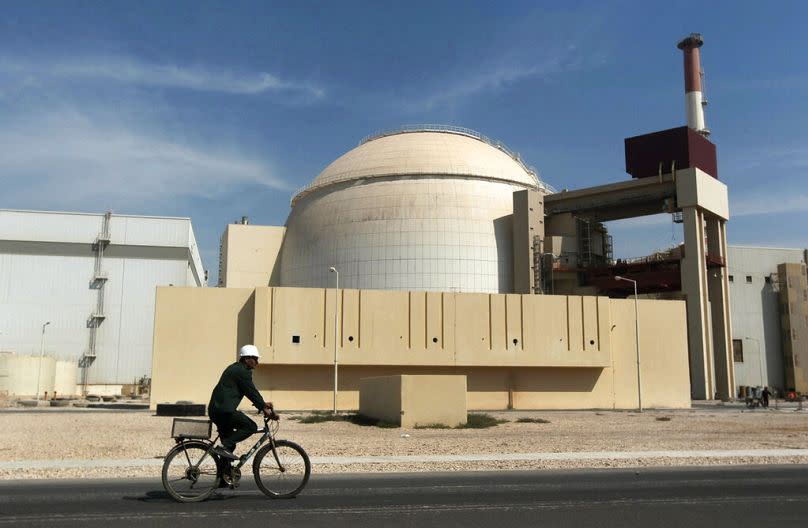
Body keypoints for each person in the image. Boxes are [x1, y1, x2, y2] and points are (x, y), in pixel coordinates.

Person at [208, 344, 274, 460]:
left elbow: (250, 391)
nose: (257, 362)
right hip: (224, 412)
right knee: (251, 427)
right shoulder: (241, 372)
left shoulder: (235, 368)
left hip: (217, 411)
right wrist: (264, 408)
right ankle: (224, 446)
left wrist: (263, 404)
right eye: (255, 359)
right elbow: (251, 391)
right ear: (247, 359)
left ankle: (224, 476)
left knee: (229, 447)